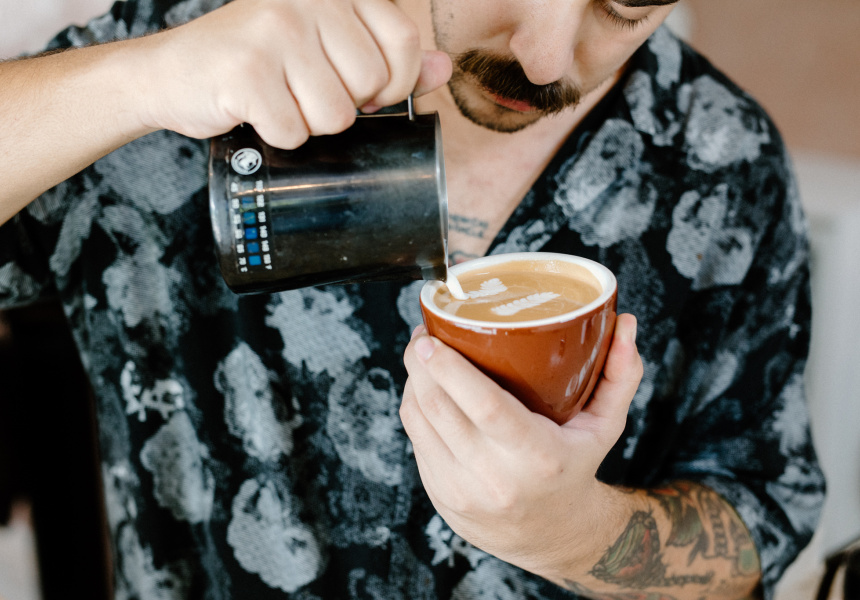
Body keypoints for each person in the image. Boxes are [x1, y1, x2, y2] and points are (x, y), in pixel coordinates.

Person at [0, 0, 825, 599]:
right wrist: (131, 82)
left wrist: (577, 535)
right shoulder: (192, 52)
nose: (545, 59)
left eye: (625, 5)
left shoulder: (722, 158)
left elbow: (758, 515)